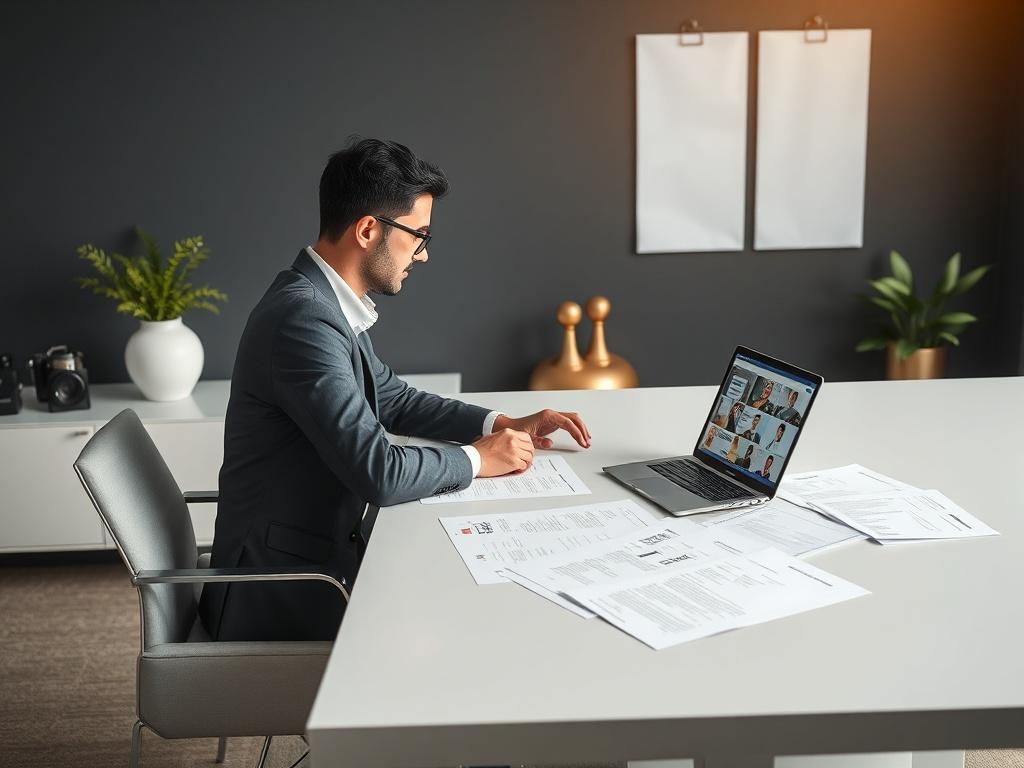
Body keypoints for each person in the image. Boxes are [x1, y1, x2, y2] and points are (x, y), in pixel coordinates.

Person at [200, 138, 591, 642]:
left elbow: (392, 398)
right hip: (283, 589)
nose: (423, 256)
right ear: (368, 230)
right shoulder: (303, 320)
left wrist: (500, 425)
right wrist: (477, 459)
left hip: (318, 557)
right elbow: (379, 473)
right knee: (464, 629)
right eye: (418, 236)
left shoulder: (321, 301)